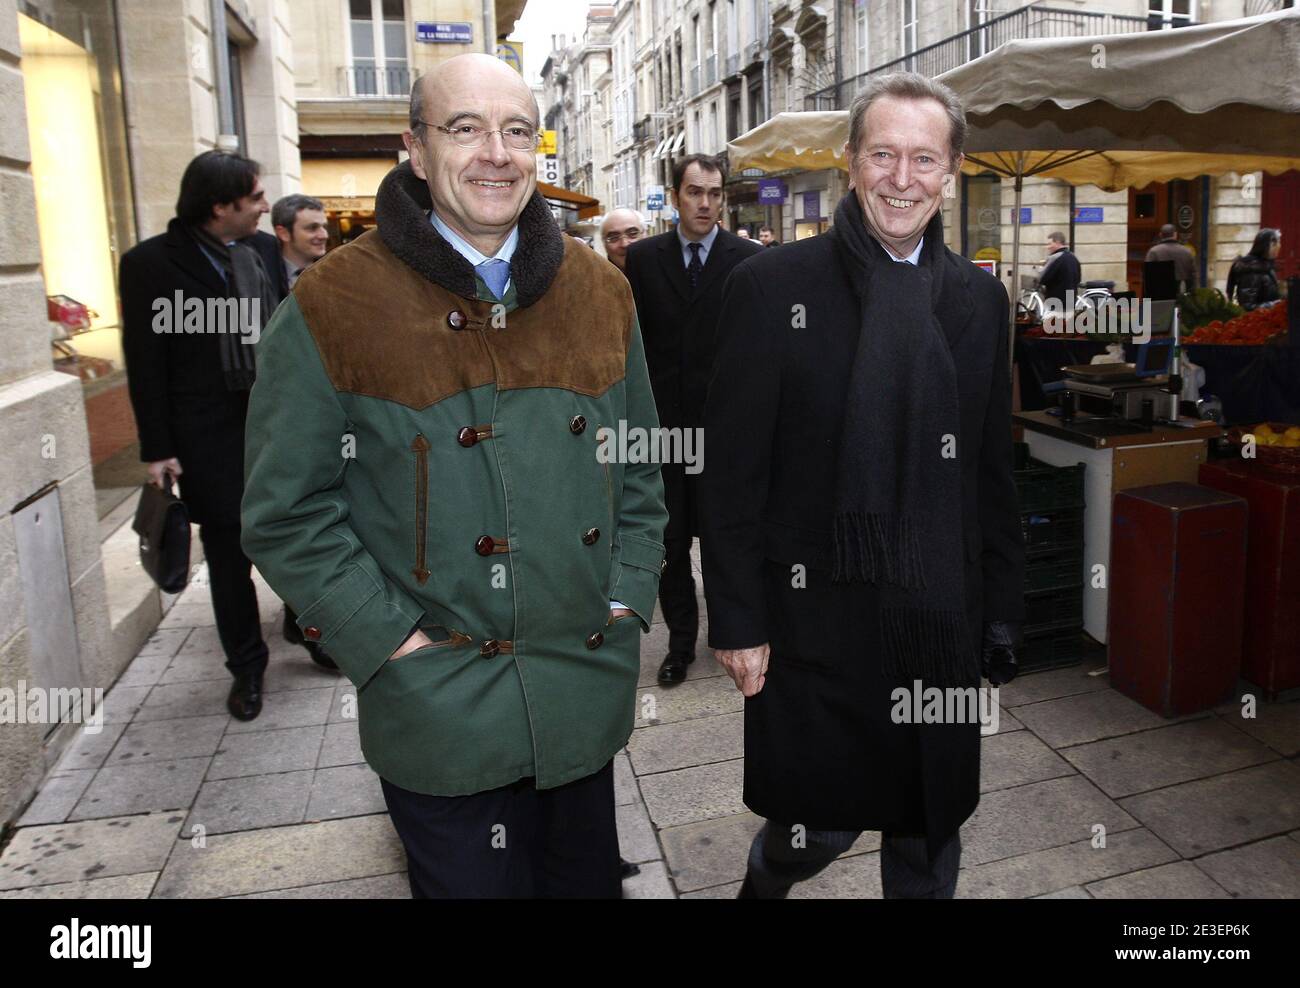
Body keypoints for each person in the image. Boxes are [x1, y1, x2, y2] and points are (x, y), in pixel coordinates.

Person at [241, 53, 667, 898]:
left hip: (581, 689)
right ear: (415, 147)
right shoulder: (331, 305)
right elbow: (286, 513)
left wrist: (626, 593)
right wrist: (389, 646)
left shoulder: (598, 290)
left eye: (516, 131)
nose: (495, 153)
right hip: (438, 710)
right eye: (465, 129)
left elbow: (641, 461)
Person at [702, 71, 1025, 900]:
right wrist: (737, 619)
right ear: (850, 162)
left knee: (928, 829)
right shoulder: (771, 290)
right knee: (813, 830)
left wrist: (1000, 610)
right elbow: (733, 476)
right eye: (883, 153)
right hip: (816, 621)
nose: (902, 178)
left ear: (952, 171)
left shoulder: (981, 302)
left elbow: (993, 471)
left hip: (937, 620)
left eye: (924, 158)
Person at [120, 150, 277, 721]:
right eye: (254, 198)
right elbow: (146, 362)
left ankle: (310, 632)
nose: (264, 206)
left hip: (271, 426)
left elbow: (282, 336)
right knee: (229, 552)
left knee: (293, 532)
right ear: (220, 207)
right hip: (205, 437)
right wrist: (157, 448)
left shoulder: (260, 252)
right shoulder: (151, 265)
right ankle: (248, 667)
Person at [624, 154, 762, 686]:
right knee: (670, 543)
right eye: (694, 192)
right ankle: (680, 645)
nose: (705, 203)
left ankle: (734, 632)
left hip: (728, 433)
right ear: (675, 196)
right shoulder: (641, 259)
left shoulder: (748, 258)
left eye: (714, 193)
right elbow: (632, 347)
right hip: (664, 433)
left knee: (731, 536)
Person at [247, 194, 338, 671]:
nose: (322, 235)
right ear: (284, 233)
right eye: (311, 228)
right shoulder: (257, 278)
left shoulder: (338, 282)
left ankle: (307, 621)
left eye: (324, 227)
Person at [1226, 228, 1282, 309]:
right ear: (1270, 245)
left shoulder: (1267, 266)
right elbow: (1248, 306)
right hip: (1258, 320)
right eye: (1278, 243)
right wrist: (1276, 305)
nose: (1280, 246)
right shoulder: (1251, 270)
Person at [1145, 224, 1198, 293]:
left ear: (1160, 235)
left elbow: (1147, 275)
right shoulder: (1187, 252)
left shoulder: (1154, 252)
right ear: (1175, 235)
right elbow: (1193, 274)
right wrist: (1192, 293)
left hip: (1160, 293)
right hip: (1181, 293)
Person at [1038, 231, 1081, 307]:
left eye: (1050, 244)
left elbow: (1044, 278)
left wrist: (1041, 268)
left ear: (1057, 242)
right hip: (1070, 297)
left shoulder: (1055, 258)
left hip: (1056, 299)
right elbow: (1078, 278)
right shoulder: (1073, 257)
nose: (1048, 247)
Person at [599, 208, 647, 272]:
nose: (625, 244)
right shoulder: (595, 280)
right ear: (603, 243)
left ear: (645, 234)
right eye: (614, 237)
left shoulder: (663, 270)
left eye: (632, 234)